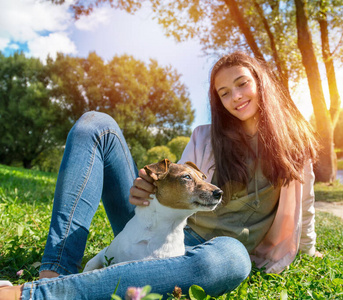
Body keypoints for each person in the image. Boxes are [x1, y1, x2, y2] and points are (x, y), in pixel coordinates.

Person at [0, 51, 320, 299]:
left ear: (260, 81)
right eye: (223, 93)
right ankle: (52, 279)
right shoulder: (205, 137)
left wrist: (308, 248)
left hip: (207, 251)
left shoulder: (293, 147)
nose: (235, 96)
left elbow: (304, 208)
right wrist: (144, 188)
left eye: (241, 83)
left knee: (234, 260)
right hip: (155, 222)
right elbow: (172, 185)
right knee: (95, 125)